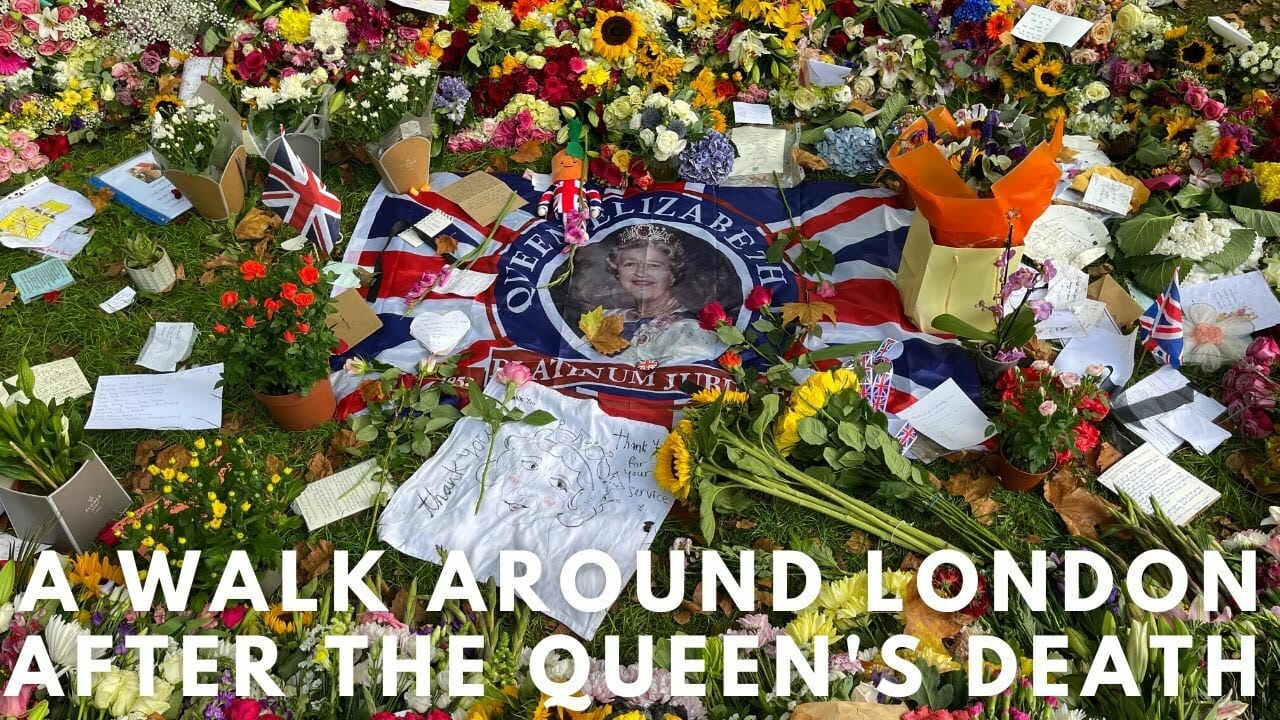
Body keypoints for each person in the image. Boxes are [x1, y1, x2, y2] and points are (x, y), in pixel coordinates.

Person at [601, 224, 722, 363]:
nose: (641, 273)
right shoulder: (605, 317)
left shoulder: (689, 331)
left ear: (672, 275)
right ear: (618, 272)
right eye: (630, 264)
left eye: (654, 265)